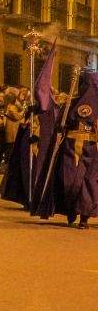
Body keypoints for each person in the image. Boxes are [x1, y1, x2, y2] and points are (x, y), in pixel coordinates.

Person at [32, 69, 98, 227]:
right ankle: (71, 211)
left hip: (92, 148)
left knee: (88, 182)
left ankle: (84, 216)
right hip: (70, 147)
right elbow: (61, 124)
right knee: (69, 180)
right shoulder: (72, 102)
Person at [1, 57, 54, 208]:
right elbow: (23, 122)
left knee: (37, 169)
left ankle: (37, 198)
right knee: (25, 169)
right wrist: (28, 118)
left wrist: (37, 134)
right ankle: (26, 196)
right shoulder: (31, 107)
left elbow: (48, 126)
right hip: (27, 140)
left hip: (39, 143)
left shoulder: (50, 109)